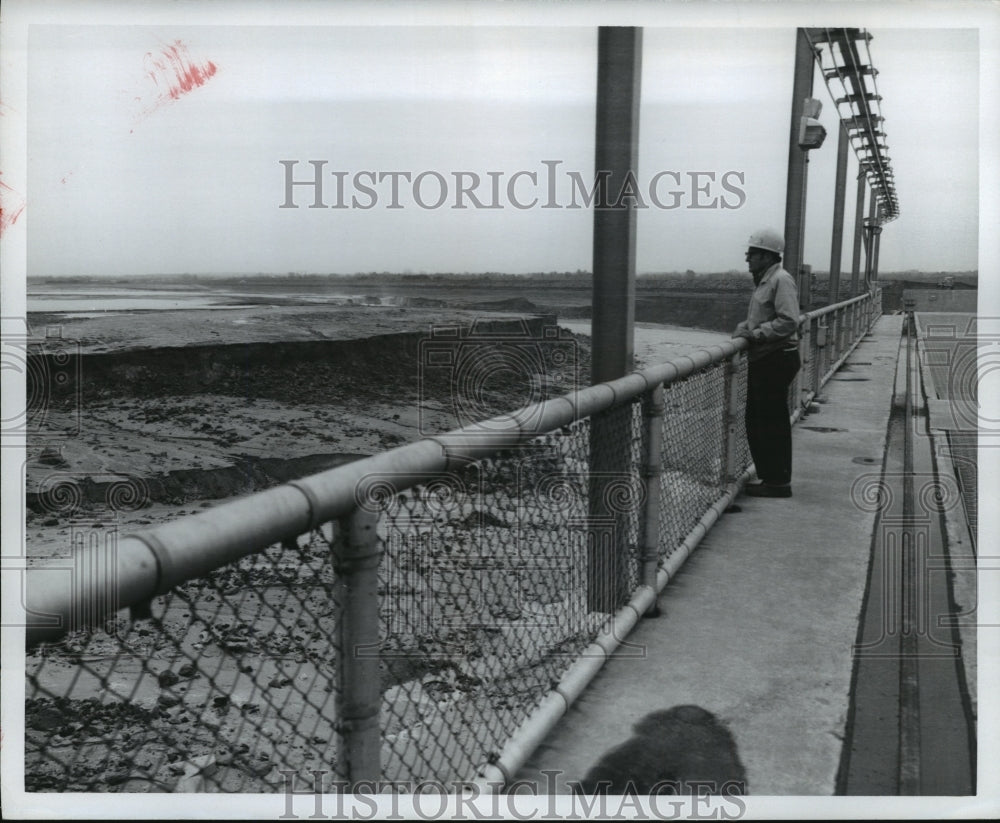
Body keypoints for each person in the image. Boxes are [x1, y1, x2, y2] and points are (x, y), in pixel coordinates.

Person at [732, 229, 801, 498]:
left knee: (771, 422)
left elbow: (788, 320)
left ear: (766, 256)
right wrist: (744, 329)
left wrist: (757, 335)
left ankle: (778, 482)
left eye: (752, 254)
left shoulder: (780, 280)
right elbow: (759, 318)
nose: (747, 259)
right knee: (758, 420)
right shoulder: (765, 281)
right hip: (767, 358)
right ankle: (771, 478)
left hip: (776, 358)